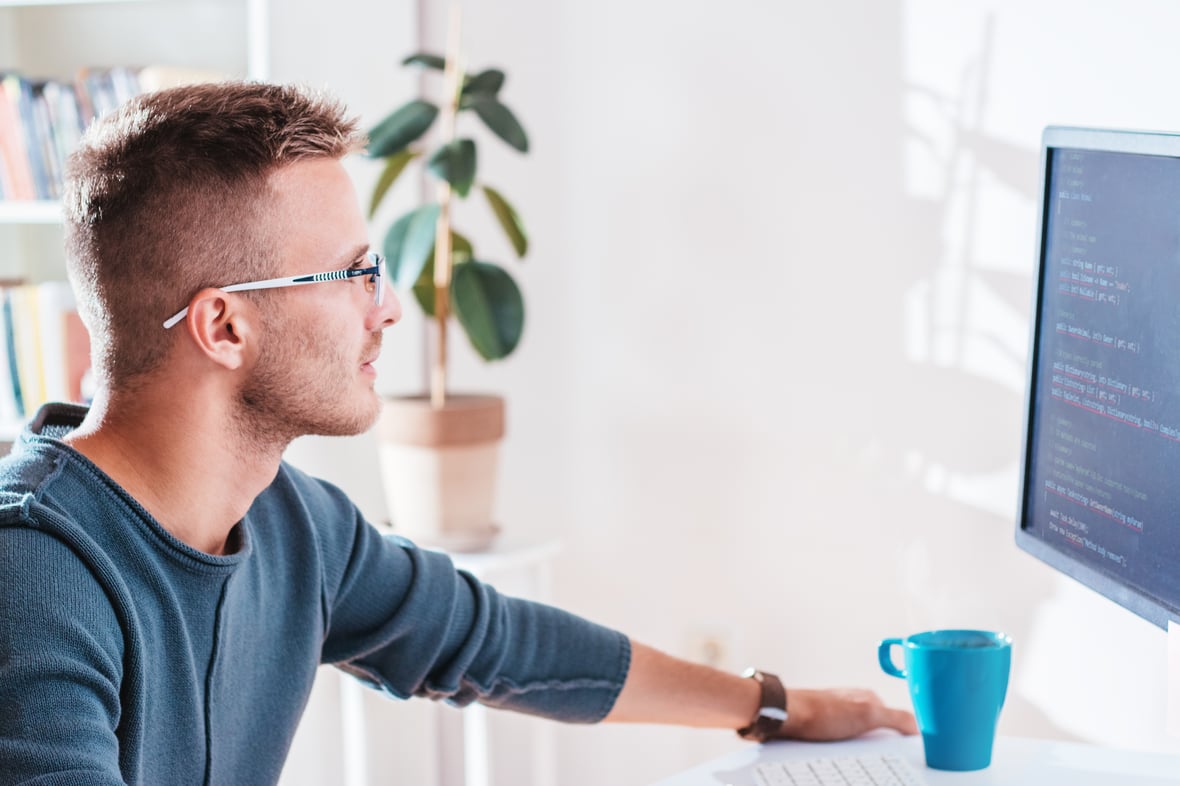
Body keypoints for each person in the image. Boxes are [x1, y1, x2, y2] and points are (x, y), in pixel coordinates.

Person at [0, 82, 916, 785]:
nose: (388, 310)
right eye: (354, 274)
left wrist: (771, 707)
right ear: (225, 327)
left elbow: (497, 644)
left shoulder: (291, 526)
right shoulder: (35, 578)